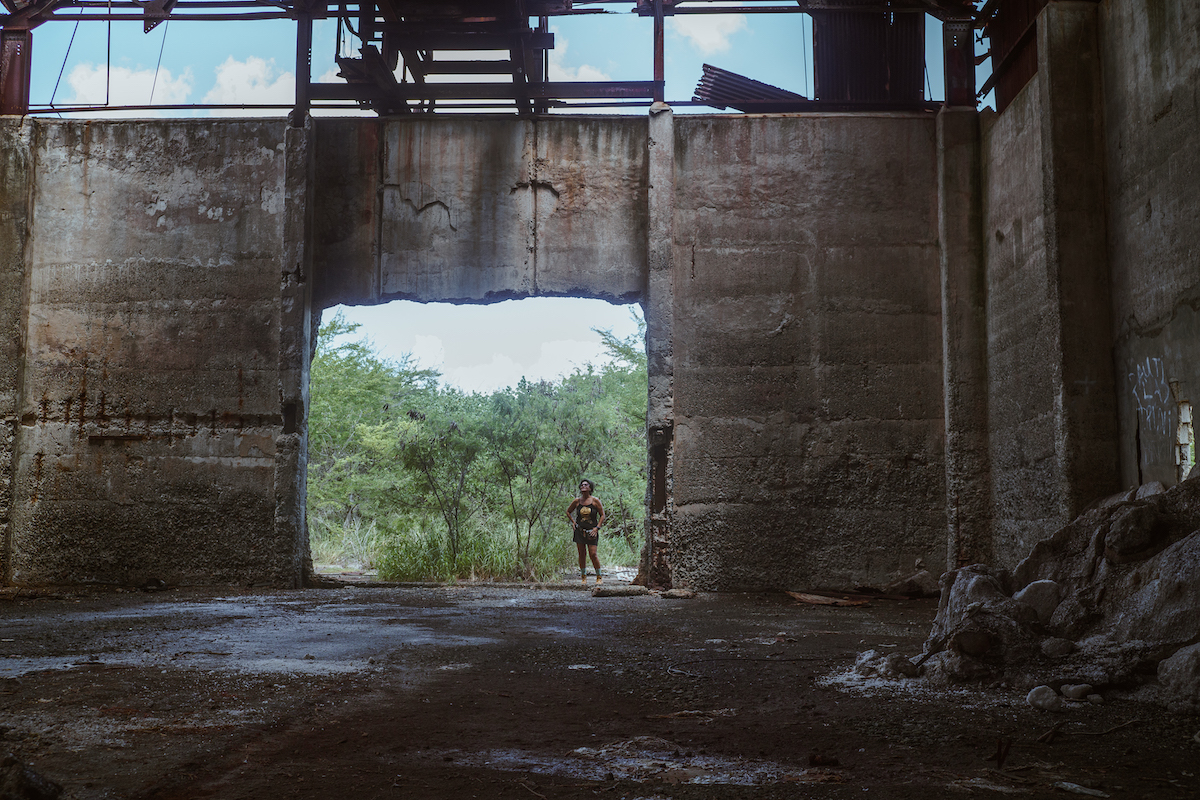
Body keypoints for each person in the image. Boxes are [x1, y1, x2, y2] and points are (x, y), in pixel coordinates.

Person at [566, 479, 605, 585]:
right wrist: (573, 522)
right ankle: (583, 577)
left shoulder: (595, 501)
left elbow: (602, 515)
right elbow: (568, 511)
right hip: (580, 531)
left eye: (586, 485)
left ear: (590, 488)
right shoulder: (577, 501)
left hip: (592, 531)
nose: (583, 486)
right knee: (581, 554)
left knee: (593, 554)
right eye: (581, 485)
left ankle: (599, 577)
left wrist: (597, 528)